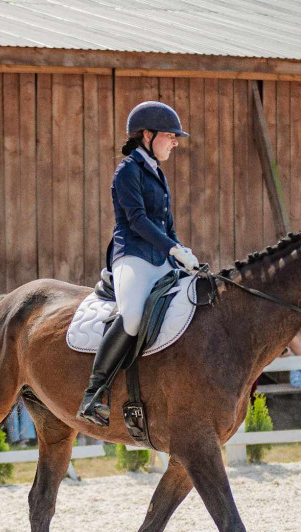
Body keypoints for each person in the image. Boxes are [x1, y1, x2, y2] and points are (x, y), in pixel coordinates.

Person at [77, 101, 199, 426]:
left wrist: (184, 254)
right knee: (132, 318)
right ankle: (94, 394)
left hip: (161, 258)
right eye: (171, 136)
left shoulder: (157, 172)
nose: (175, 142)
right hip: (132, 256)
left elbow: (167, 223)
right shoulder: (128, 169)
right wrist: (173, 249)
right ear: (147, 134)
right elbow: (138, 221)